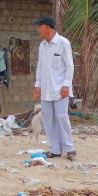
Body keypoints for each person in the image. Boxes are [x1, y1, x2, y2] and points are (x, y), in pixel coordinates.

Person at [33, 15, 75, 159]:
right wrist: (37, 86)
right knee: (47, 117)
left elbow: (69, 66)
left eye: (40, 26)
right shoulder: (42, 46)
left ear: (48, 28)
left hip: (60, 89)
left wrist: (66, 85)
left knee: (62, 116)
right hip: (46, 89)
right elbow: (40, 67)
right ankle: (55, 149)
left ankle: (69, 148)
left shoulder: (63, 43)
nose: (38, 29)